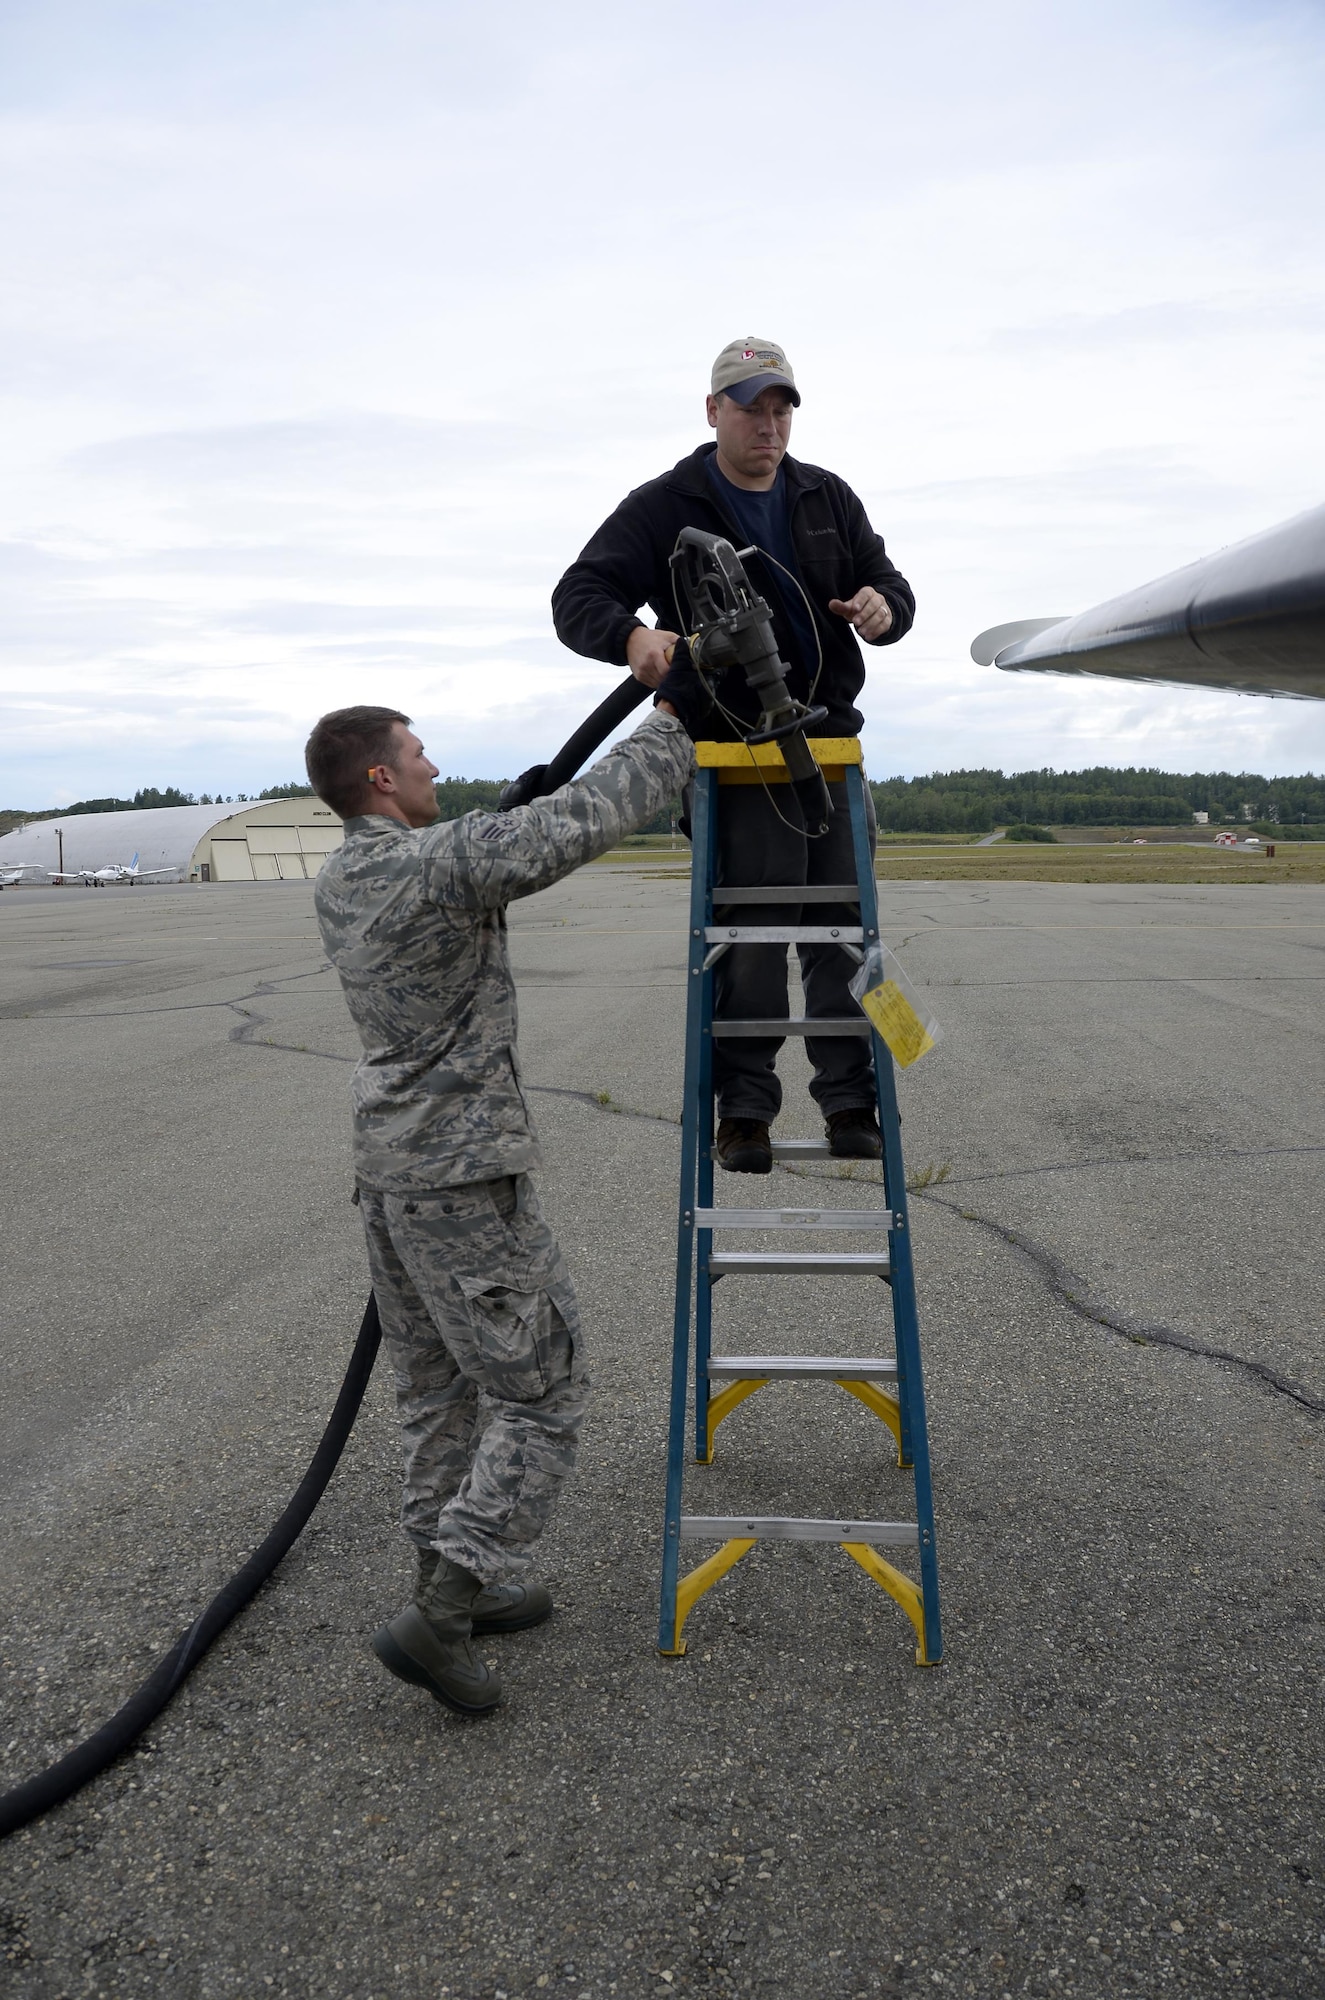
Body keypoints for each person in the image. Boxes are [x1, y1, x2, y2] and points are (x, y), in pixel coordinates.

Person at [307, 700, 694, 1715]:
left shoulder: (347, 872)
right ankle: (442, 1609)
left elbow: (474, 856)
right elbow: (583, 820)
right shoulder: (438, 864)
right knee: (541, 1388)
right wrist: (670, 724)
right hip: (463, 1175)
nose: (433, 763)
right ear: (382, 779)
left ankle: (451, 1589)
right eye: (418, 752)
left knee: (436, 1392)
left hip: (391, 1173)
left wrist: (491, 826)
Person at [552, 336, 915, 1174]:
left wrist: (881, 607)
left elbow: (892, 585)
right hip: (731, 759)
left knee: (846, 936)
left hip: (827, 750)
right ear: (712, 410)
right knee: (748, 941)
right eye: (751, 406)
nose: (769, 422)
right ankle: (744, 1113)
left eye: (781, 406)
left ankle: (851, 1102)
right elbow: (578, 596)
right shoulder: (662, 504)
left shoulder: (827, 497)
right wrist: (633, 636)